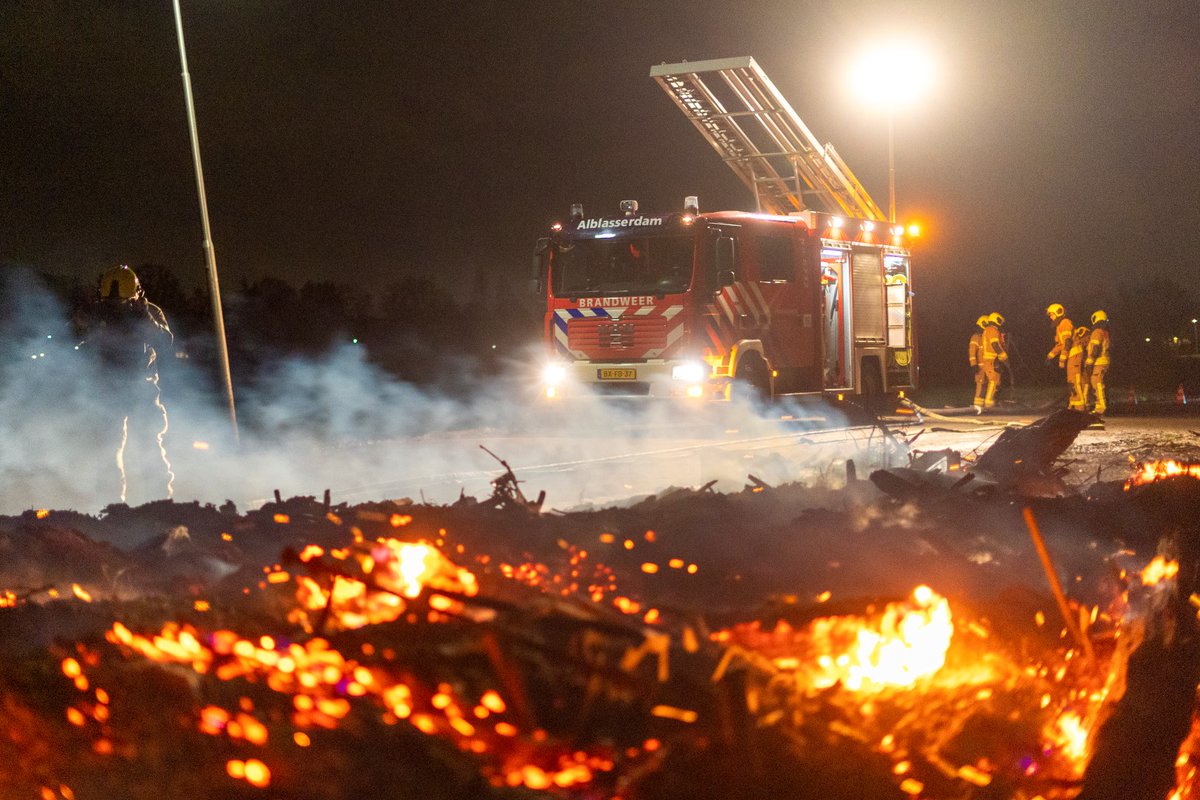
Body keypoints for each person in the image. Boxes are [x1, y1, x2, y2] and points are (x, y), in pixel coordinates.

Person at [83, 265, 176, 504]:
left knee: (147, 445)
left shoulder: (148, 312)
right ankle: (112, 506)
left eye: (121, 304)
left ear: (137, 295)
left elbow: (165, 342)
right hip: (107, 388)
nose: (116, 309)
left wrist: (144, 319)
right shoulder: (99, 312)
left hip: (141, 388)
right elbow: (81, 342)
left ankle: (160, 504)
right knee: (107, 448)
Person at [1045, 303, 1074, 403]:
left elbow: (1067, 343)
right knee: (1071, 382)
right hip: (1071, 355)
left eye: (1052, 315)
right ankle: (1074, 405)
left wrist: (1062, 359)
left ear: (1058, 313)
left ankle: (1079, 407)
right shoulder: (1059, 326)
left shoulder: (1065, 323)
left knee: (1074, 382)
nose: (1051, 317)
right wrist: (1050, 356)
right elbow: (1060, 345)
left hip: (1074, 355)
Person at [979, 312, 1008, 408]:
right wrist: (1003, 356)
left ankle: (990, 402)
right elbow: (995, 344)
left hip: (989, 360)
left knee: (996, 381)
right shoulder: (993, 330)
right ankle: (989, 403)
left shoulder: (987, 330)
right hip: (991, 360)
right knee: (993, 381)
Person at [1086, 310, 1112, 415]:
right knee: (1096, 383)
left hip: (1099, 362)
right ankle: (1099, 406)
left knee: (1097, 384)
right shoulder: (1105, 332)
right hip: (1103, 361)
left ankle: (1101, 407)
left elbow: (1095, 349)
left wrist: (1089, 362)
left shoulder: (1097, 332)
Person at [1066, 324, 1090, 410]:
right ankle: (1078, 406)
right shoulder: (1080, 349)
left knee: (1078, 385)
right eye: (1087, 337)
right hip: (1077, 367)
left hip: (1077, 367)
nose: (1088, 340)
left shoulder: (1080, 349)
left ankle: (1080, 407)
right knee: (1077, 386)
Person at [969, 315, 988, 407]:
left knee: (988, 386)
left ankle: (985, 406)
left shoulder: (985, 338)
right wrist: (973, 365)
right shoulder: (976, 337)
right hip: (980, 367)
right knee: (980, 386)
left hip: (988, 366)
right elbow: (972, 352)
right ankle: (977, 407)